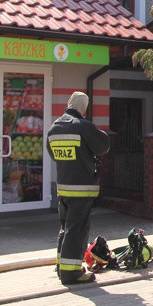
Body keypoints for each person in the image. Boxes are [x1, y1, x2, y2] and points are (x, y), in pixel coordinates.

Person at [46, 92, 110, 284]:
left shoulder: (54, 127)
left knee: (66, 228)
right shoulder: (83, 126)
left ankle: (61, 266)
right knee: (77, 229)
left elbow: (53, 153)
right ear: (83, 108)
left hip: (63, 188)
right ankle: (71, 273)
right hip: (81, 188)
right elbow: (103, 146)